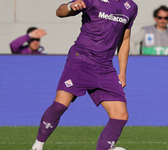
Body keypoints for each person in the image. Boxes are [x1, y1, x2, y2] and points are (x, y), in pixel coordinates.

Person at [31, 0, 138, 149]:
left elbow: (125, 40)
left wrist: (123, 72)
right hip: (80, 61)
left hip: (105, 67)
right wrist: (70, 7)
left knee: (120, 116)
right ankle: (38, 145)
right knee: (60, 105)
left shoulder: (130, 6)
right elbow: (60, 12)